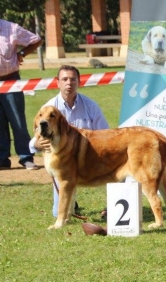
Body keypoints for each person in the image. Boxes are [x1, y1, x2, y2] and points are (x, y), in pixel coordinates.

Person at [30, 65, 109, 218]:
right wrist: (37, 144)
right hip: (62, 164)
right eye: (64, 79)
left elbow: (105, 134)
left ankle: (112, 207)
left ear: (79, 82)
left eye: (73, 79)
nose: (69, 83)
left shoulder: (90, 106)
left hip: (89, 158)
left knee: (118, 168)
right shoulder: (48, 108)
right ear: (57, 82)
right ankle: (71, 203)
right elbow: (33, 141)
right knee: (57, 213)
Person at [0, 18, 43, 170]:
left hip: (10, 81)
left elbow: (36, 40)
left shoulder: (11, 28)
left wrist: (22, 53)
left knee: (17, 121)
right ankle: (1, 159)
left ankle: (26, 157)